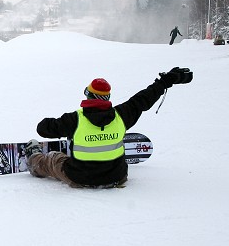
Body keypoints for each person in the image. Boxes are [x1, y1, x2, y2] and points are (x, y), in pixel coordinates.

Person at [23, 68, 193, 188]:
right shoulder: (122, 115)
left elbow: (43, 129)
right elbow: (144, 99)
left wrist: (62, 126)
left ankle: (33, 158)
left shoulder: (75, 119)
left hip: (80, 178)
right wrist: (166, 81)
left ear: (89, 95)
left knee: (52, 160)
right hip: (117, 177)